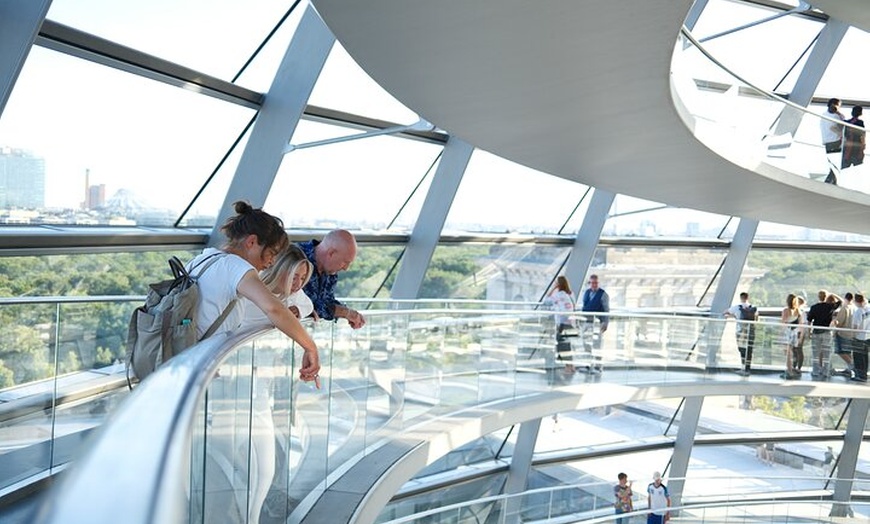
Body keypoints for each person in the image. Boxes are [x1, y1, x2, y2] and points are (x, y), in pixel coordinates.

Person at [186, 201, 320, 386]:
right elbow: (274, 309)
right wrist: (310, 348)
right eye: (271, 253)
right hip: (193, 365)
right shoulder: (237, 268)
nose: (271, 262)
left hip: (181, 357)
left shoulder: (203, 258)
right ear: (251, 242)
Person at [299, 229, 367, 329]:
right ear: (331, 253)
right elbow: (302, 305)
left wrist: (349, 313)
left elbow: (327, 303)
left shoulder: (330, 269)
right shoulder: (296, 256)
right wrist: (345, 312)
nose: (345, 268)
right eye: (345, 262)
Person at [244, 242, 314, 324]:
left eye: (302, 278)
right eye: (293, 277)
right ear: (278, 271)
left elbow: (309, 305)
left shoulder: (294, 293)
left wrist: (298, 310)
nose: (299, 284)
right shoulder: (250, 290)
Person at [544, 275, 577, 373]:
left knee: (562, 346)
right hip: (571, 323)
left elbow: (546, 301)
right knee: (567, 345)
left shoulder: (558, 295)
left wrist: (553, 288)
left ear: (558, 284)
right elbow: (573, 306)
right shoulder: (570, 294)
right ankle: (571, 366)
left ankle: (568, 367)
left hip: (562, 323)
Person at [806, 290, 841, 380]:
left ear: (818, 297)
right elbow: (841, 301)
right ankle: (826, 372)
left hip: (816, 332)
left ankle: (816, 371)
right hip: (826, 332)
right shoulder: (830, 307)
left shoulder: (814, 307)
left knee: (815, 353)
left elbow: (809, 321)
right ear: (826, 297)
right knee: (827, 353)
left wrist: (809, 332)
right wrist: (832, 294)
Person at [724, 292, 758, 376]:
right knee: (749, 350)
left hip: (740, 331)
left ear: (741, 298)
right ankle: (747, 368)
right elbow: (756, 319)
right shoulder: (753, 308)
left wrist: (734, 316)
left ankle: (743, 367)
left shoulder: (736, 307)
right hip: (751, 331)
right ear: (747, 298)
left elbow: (725, 313)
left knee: (742, 349)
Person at [581, 274, 610, 373]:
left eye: (596, 283)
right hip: (587, 322)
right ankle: (588, 364)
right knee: (586, 343)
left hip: (597, 323)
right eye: (592, 283)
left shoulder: (603, 294)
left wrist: (605, 323)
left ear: (598, 283)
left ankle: (598, 366)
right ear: (589, 283)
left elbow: (606, 310)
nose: (594, 285)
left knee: (597, 345)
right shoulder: (586, 293)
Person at [821, 98, 845, 184]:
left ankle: (832, 181)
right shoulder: (835, 116)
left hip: (827, 142)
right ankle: (829, 181)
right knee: (836, 163)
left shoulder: (823, 115)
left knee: (832, 163)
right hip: (835, 141)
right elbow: (840, 126)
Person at [832, 292, 856, 377]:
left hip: (842, 333)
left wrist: (835, 323)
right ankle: (850, 368)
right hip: (851, 333)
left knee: (840, 351)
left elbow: (839, 322)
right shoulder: (853, 307)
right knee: (848, 352)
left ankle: (852, 365)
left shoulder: (844, 308)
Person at [780, 293, 803, 380]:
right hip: (795, 333)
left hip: (788, 333)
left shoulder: (786, 310)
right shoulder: (798, 311)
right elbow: (800, 324)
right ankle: (791, 369)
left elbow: (783, 322)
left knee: (787, 353)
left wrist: (781, 333)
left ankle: (789, 370)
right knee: (791, 352)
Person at [850, 293, 869, 383]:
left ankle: (860, 376)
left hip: (859, 338)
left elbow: (855, 326)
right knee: (864, 357)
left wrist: (853, 336)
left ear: (855, 301)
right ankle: (864, 374)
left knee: (858, 357)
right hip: (867, 336)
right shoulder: (868, 309)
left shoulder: (858, 311)